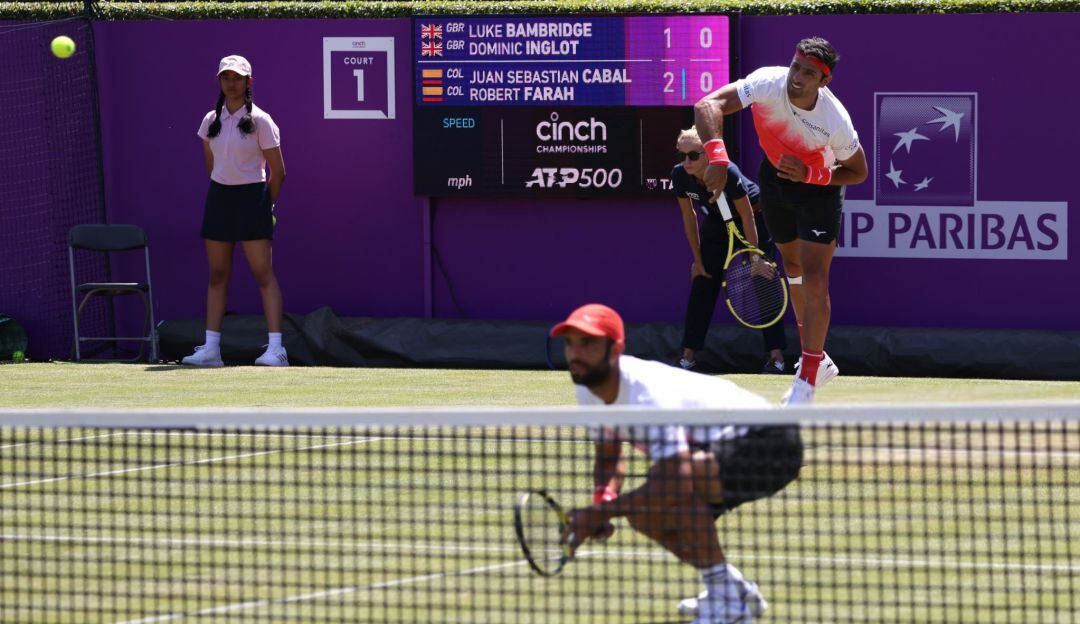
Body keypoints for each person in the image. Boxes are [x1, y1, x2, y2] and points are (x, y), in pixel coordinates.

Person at [551, 303, 803, 624]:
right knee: (645, 517)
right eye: (570, 342)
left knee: (676, 490)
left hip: (770, 443)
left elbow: (676, 481)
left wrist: (597, 514)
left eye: (587, 343)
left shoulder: (646, 395)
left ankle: (732, 610)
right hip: (716, 451)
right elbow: (609, 452)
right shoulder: (587, 385)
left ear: (615, 349)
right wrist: (605, 498)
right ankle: (732, 591)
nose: (575, 352)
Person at [694, 37, 868, 404]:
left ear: (824, 81)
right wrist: (718, 158)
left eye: (809, 73)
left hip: (819, 188)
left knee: (816, 275)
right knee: (791, 267)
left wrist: (811, 174)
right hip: (774, 180)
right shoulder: (767, 83)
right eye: (796, 67)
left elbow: (857, 171)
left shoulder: (834, 120)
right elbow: (708, 104)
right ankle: (818, 360)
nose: (798, 77)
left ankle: (806, 375)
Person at [182, 55, 288, 367]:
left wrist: (265, 204)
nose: (232, 83)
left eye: (238, 78)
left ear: (248, 82)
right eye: (226, 77)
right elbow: (210, 162)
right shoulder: (208, 121)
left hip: (252, 199)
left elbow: (278, 172)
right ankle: (212, 350)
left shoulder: (261, 121)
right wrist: (223, 186)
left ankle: (276, 350)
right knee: (217, 275)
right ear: (220, 81)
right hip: (219, 199)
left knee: (262, 274)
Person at [672, 127, 788, 375]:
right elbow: (689, 216)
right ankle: (687, 357)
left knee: (763, 280)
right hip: (717, 224)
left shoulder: (728, 172)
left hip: (755, 219)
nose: (686, 162)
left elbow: (747, 216)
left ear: (707, 155)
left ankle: (776, 358)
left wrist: (755, 256)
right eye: (682, 155)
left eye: (693, 156)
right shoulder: (680, 175)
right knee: (702, 281)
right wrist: (698, 259)